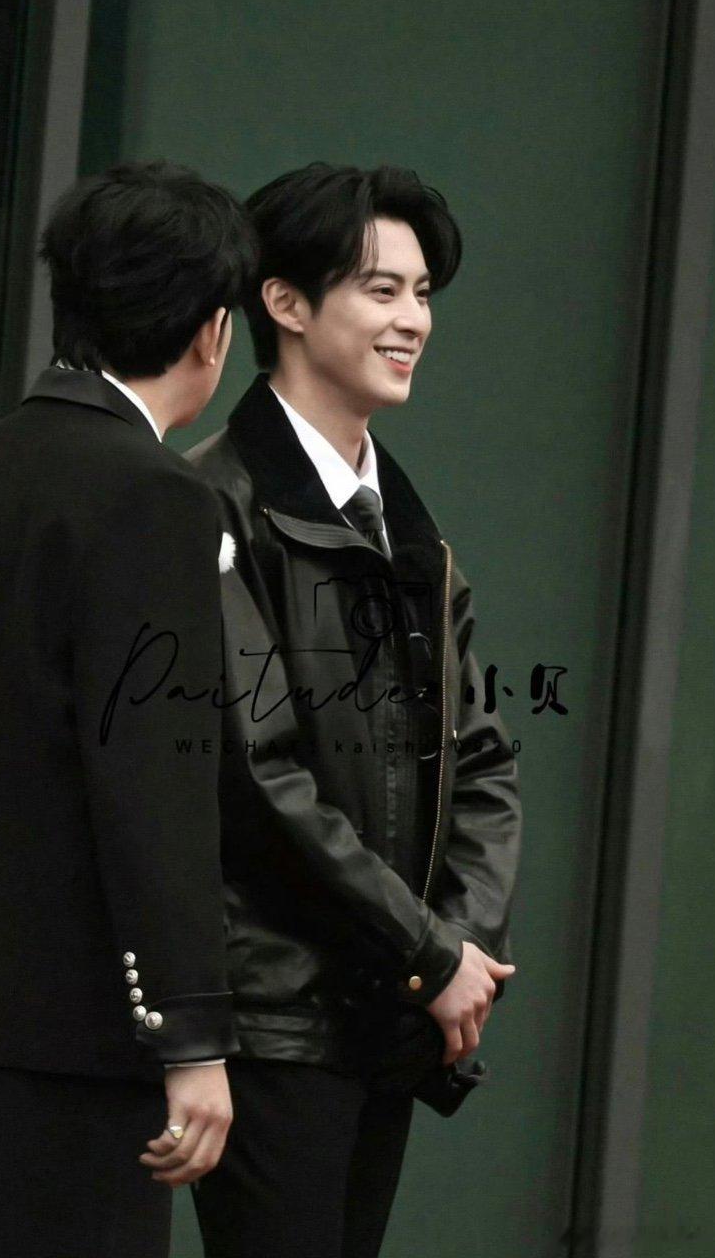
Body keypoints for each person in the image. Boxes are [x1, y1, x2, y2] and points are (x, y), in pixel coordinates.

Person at [186, 162, 522, 1258]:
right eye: (381, 290)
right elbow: (255, 772)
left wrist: (459, 950)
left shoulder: (412, 533)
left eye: (421, 293)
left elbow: (483, 760)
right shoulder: (214, 504)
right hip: (277, 1019)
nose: (413, 320)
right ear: (284, 302)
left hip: (390, 1011)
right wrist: (429, 953)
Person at [0, 160, 256, 1258]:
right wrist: (191, 1032)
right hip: (69, 1048)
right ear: (213, 332)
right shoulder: (155, 495)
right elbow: (153, 780)